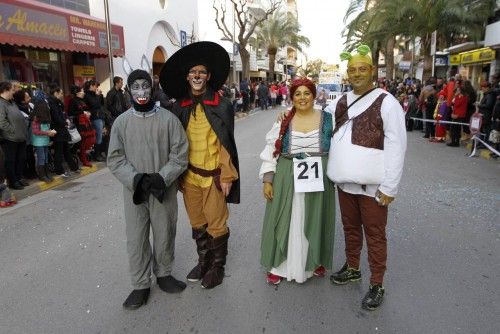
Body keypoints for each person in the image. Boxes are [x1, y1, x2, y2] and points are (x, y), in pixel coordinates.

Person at [326, 45, 406, 311]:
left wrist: (390, 185)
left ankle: (377, 282)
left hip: (373, 187)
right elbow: (315, 119)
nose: (357, 74)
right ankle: (352, 268)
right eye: (352, 70)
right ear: (347, 73)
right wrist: (287, 114)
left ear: (372, 71)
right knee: (350, 229)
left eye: (362, 69)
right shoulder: (340, 101)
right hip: (345, 184)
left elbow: (397, 145)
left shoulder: (387, 102)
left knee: (374, 234)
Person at [160, 41, 240, 289]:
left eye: (201, 72)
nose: (197, 76)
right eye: (193, 72)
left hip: (215, 176)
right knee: (197, 221)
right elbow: (173, 144)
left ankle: (217, 267)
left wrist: (227, 175)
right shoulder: (178, 107)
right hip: (190, 177)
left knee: (216, 222)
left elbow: (226, 144)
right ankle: (203, 261)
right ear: (187, 77)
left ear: (208, 76)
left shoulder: (221, 104)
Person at [107, 69, 189, 310]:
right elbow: (115, 159)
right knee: (136, 237)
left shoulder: (169, 119)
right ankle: (141, 284)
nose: (141, 92)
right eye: (135, 87)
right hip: (135, 190)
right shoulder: (121, 123)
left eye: (145, 86)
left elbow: (180, 154)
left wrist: (162, 178)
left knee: (165, 231)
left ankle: (163, 274)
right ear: (129, 90)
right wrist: (136, 179)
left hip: (163, 188)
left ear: (152, 89)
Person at [259, 78, 335, 285]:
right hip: (286, 176)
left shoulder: (328, 119)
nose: (302, 98)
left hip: (318, 177)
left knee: (315, 218)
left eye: (307, 93)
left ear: (314, 95)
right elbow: (270, 150)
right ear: (291, 97)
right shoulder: (283, 120)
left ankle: (313, 261)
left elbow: (338, 148)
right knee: (283, 217)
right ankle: (278, 266)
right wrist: (268, 179)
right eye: (298, 94)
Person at [0, 81, 28, 190]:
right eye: (12, 89)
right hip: (10, 138)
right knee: (11, 160)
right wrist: (12, 131)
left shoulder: (11, 102)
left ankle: (19, 178)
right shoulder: (1, 103)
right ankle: (13, 181)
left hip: (20, 137)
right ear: (6, 90)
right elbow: (1, 122)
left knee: (21, 159)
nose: (14, 92)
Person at [48, 84, 79, 176]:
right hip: (57, 130)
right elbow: (56, 117)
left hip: (62, 130)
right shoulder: (52, 103)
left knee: (66, 150)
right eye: (61, 93)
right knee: (59, 152)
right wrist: (65, 123)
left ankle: (74, 167)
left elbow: (62, 113)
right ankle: (59, 171)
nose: (62, 95)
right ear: (55, 93)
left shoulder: (57, 102)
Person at [69, 85, 95, 167]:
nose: (83, 92)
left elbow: (88, 108)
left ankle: (83, 157)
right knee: (82, 142)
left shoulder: (82, 100)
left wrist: (88, 112)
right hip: (79, 125)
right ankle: (82, 158)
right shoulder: (73, 101)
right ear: (77, 93)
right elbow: (70, 113)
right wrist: (82, 113)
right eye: (82, 91)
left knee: (86, 142)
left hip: (86, 123)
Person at [31, 99, 56, 182]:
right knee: (41, 158)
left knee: (45, 158)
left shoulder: (45, 118)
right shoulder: (36, 118)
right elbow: (35, 131)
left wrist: (50, 132)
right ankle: (42, 175)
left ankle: (46, 173)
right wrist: (47, 133)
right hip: (39, 142)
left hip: (45, 140)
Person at [84, 80, 106, 162]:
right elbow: (94, 104)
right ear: (91, 86)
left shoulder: (94, 95)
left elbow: (101, 104)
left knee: (99, 136)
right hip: (94, 118)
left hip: (98, 116)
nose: (97, 88)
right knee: (98, 136)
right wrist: (98, 96)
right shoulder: (87, 95)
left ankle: (98, 153)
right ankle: (97, 155)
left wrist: (100, 96)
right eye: (95, 86)